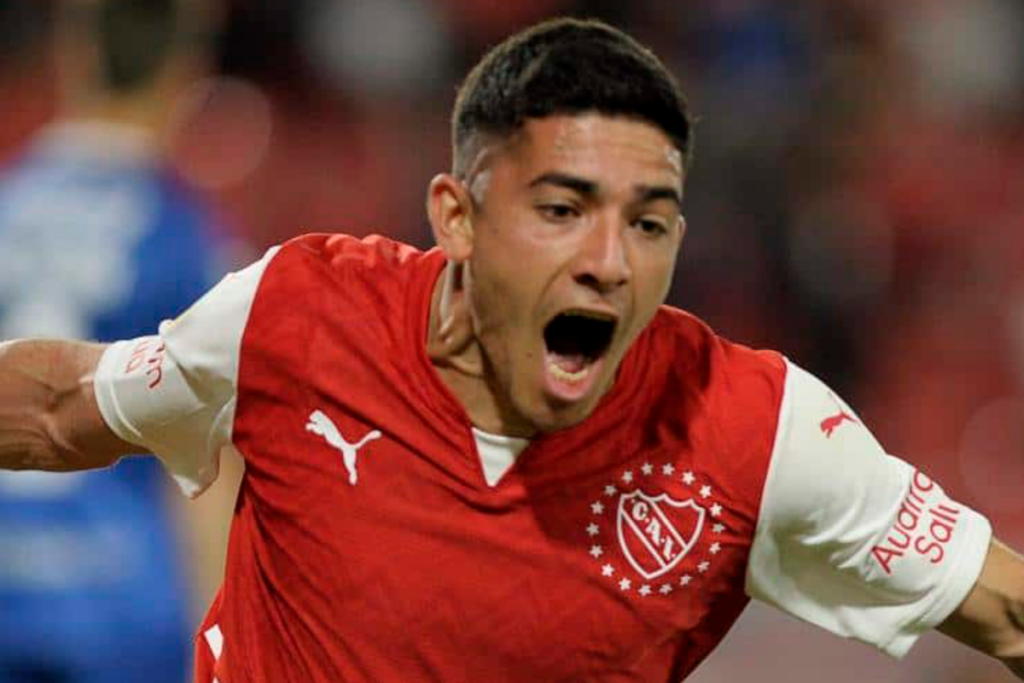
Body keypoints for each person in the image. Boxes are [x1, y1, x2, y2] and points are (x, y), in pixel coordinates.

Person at [0, 16, 1022, 683]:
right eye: (563, 209)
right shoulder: (300, 314)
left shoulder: (752, 430)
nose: (610, 262)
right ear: (456, 216)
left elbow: (1007, 608)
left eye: (651, 220)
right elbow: (58, 408)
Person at [0, 1, 234, 681]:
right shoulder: (181, 234)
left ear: (74, 54)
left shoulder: (5, 204)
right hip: (121, 601)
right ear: (188, 72)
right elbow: (208, 468)